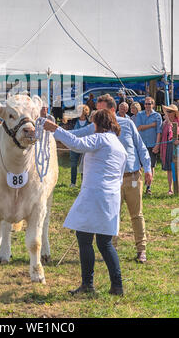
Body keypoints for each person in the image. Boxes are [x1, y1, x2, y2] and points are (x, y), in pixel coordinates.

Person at [44, 109, 127, 296]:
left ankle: (88, 284)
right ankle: (117, 285)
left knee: (84, 238)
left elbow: (77, 144)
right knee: (105, 243)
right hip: (111, 196)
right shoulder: (118, 145)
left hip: (95, 195)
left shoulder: (101, 138)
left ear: (98, 124)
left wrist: (55, 129)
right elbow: (120, 176)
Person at [68, 94, 152, 264]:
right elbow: (76, 134)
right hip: (111, 181)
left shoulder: (128, 124)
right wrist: (53, 131)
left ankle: (141, 249)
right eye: (97, 111)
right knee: (111, 215)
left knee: (136, 215)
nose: (97, 115)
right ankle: (110, 250)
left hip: (132, 176)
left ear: (112, 110)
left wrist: (148, 168)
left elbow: (141, 147)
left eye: (101, 110)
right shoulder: (95, 127)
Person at [135, 97, 162, 195]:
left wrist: (157, 145)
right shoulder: (139, 114)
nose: (147, 106)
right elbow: (138, 128)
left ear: (153, 105)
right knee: (138, 166)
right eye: (146, 104)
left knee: (151, 166)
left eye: (149, 104)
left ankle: (148, 188)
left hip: (152, 144)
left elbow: (159, 132)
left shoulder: (157, 116)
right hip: (141, 144)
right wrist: (151, 125)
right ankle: (138, 186)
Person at [69, 104, 90, 187]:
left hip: (85, 146)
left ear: (85, 112)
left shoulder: (89, 122)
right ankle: (73, 183)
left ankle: (83, 183)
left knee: (84, 165)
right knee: (73, 164)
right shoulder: (73, 121)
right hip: (74, 145)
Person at [160, 104, 179, 196]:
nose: (168, 113)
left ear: (175, 113)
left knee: (176, 168)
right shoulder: (165, 123)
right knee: (170, 168)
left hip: (177, 148)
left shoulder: (177, 121)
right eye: (167, 111)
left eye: (170, 111)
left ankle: (177, 186)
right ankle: (170, 188)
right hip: (167, 147)